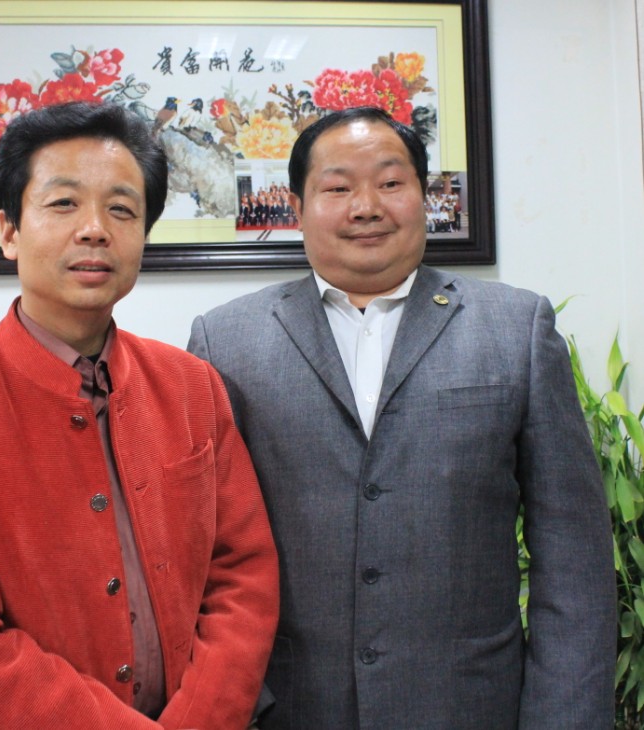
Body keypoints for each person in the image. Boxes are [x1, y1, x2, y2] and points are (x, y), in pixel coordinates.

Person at [188, 106, 616, 729]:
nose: (366, 207)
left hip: (470, 708)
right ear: (298, 207)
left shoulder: (515, 328)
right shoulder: (226, 341)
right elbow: (199, 555)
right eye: (338, 188)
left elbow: (573, 556)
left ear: (425, 196)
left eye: (390, 183)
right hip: (291, 709)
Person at [0, 101, 278, 730]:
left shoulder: (193, 385)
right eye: (63, 203)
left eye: (122, 210)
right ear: (9, 230)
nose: (94, 229)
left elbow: (242, 575)